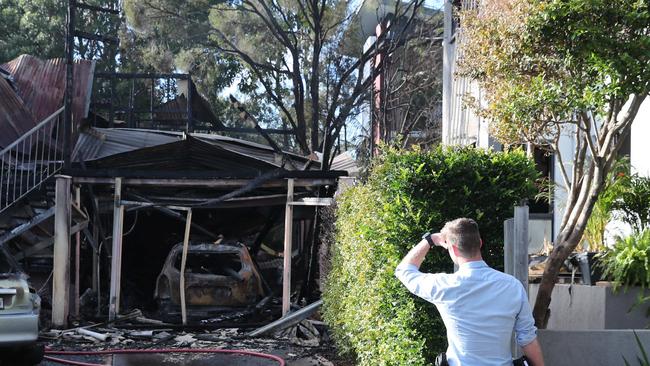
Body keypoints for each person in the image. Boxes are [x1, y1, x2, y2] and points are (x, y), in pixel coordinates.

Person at [394, 218, 544, 366]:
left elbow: (404, 271)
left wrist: (430, 240)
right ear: (480, 243)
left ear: (452, 249)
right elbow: (528, 338)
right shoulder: (513, 286)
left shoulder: (444, 286)